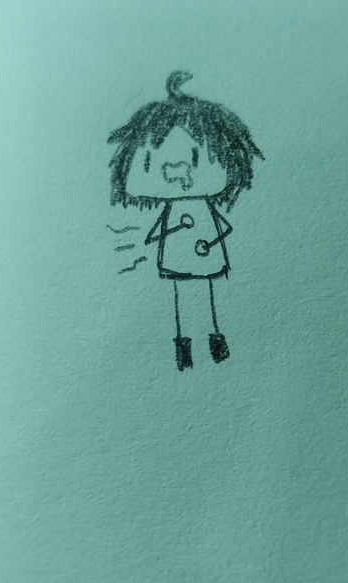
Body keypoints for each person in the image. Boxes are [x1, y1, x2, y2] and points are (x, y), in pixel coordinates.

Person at [108, 72, 264, 370]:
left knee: (206, 293)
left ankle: (215, 340)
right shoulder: (173, 210)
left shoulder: (203, 207)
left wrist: (209, 243)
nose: (176, 170)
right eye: (151, 162)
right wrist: (173, 231)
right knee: (181, 293)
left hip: (203, 254)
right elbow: (153, 236)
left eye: (194, 159)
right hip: (177, 254)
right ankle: (184, 347)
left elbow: (225, 228)